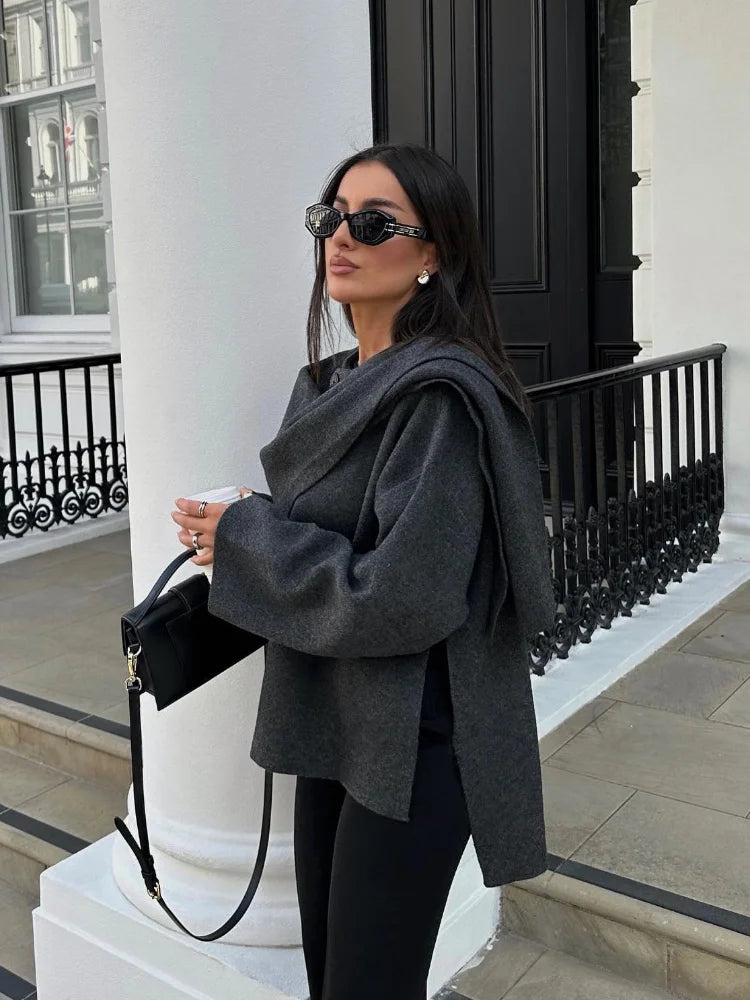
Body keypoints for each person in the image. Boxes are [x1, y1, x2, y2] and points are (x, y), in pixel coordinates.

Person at [171, 143, 554, 1000]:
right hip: (334, 714)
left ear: (432, 255)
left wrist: (251, 538)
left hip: (415, 737)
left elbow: (405, 597)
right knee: (330, 976)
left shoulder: (440, 398)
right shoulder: (330, 382)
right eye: (331, 216)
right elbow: (337, 534)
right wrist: (248, 525)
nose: (340, 238)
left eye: (374, 223)